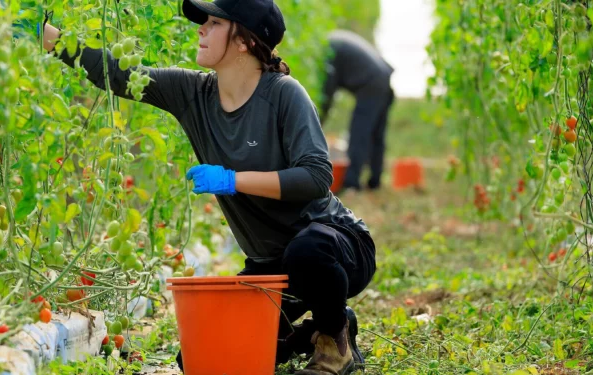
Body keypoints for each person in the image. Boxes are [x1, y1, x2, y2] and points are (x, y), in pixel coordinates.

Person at [32, 0, 376, 373]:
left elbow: (315, 177)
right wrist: (46, 36)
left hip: (335, 247)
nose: (201, 29)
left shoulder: (283, 94)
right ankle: (316, 329)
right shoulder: (193, 93)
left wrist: (231, 180)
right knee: (203, 354)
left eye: (213, 23)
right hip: (270, 268)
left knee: (306, 251)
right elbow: (117, 74)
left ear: (243, 41)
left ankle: (334, 342)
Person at [319, 29, 395, 193]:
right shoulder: (334, 41)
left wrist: (317, 120)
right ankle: (375, 180)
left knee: (360, 133)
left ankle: (351, 183)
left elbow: (328, 90)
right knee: (376, 133)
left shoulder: (328, 50)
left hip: (370, 82)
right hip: (383, 77)